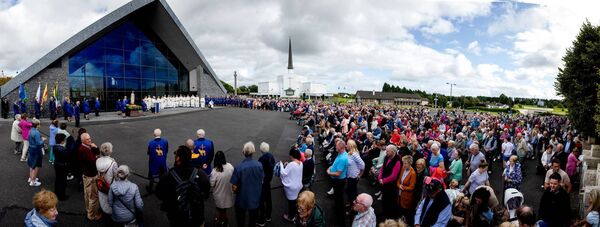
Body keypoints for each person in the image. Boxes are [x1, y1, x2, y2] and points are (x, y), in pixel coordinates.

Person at [156, 145, 210, 227]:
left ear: (178, 158)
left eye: (175, 154)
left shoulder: (168, 177)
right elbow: (206, 194)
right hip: (197, 217)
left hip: (177, 219)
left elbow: (159, 194)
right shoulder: (202, 174)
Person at [230, 142, 264, 227]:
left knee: (240, 220)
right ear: (253, 152)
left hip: (242, 199)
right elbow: (262, 180)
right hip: (255, 198)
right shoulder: (259, 165)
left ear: (243, 152)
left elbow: (234, 187)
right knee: (253, 220)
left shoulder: (238, 168)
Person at [78, 132, 102, 220]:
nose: (90, 140)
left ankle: (88, 210)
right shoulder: (84, 150)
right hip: (91, 176)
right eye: (87, 139)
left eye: (90, 138)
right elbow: (93, 161)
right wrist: (96, 148)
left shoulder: (85, 147)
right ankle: (92, 215)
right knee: (93, 197)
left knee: (87, 195)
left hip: (86, 175)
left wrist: (94, 150)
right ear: (83, 140)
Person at [327, 140, 349, 226]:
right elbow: (336, 165)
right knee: (337, 196)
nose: (335, 147)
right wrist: (331, 167)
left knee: (339, 197)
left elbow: (338, 173)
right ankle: (337, 208)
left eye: (336, 146)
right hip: (338, 181)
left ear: (341, 147)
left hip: (338, 181)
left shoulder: (343, 158)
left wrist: (329, 172)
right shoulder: (341, 154)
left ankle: (340, 216)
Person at [210, 151, 234, 227]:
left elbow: (212, 184)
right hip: (228, 194)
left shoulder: (214, 171)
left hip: (219, 196)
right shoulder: (230, 166)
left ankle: (222, 222)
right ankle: (222, 221)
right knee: (224, 210)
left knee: (221, 210)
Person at [280, 148, 304, 222]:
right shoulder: (301, 163)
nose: (290, 157)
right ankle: (295, 214)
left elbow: (283, 173)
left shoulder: (291, 164)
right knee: (295, 201)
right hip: (299, 185)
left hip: (292, 187)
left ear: (292, 156)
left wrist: (281, 165)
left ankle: (291, 217)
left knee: (291, 203)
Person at [379, 144, 401, 220]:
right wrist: (380, 177)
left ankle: (389, 216)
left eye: (387, 151)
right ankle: (384, 212)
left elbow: (393, 176)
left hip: (391, 185)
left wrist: (383, 180)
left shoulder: (397, 161)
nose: (386, 152)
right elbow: (382, 167)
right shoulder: (387, 157)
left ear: (392, 152)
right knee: (384, 199)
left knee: (390, 201)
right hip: (384, 182)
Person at [96, 142, 118, 216]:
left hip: (101, 184)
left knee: (103, 200)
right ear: (110, 151)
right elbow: (117, 177)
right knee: (110, 202)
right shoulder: (113, 163)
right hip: (110, 186)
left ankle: (103, 211)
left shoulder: (98, 160)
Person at [257, 142, 276, 225]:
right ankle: (268, 216)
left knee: (261, 200)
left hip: (263, 181)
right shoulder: (271, 156)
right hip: (268, 180)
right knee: (268, 199)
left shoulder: (261, 159)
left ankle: (261, 220)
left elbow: (259, 170)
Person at [397, 155, 417, 225]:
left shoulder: (413, 173)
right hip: (400, 193)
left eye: (405, 163)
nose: (403, 165)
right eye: (403, 163)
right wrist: (399, 185)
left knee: (405, 212)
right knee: (399, 208)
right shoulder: (403, 168)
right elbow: (399, 180)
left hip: (406, 196)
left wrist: (402, 187)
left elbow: (411, 187)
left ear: (410, 163)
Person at [346, 140, 365, 207]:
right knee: (350, 190)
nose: (346, 145)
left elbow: (362, 164)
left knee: (352, 192)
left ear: (350, 146)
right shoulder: (349, 153)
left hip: (353, 176)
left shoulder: (354, 154)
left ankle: (353, 206)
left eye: (347, 144)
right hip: (349, 176)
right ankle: (352, 203)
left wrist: (360, 175)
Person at [27, 119, 45, 187]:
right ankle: (33, 181)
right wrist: (42, 140)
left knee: (31, 164)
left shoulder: (30, 130)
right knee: (36, 166)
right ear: (37, 125)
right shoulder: (36, 132)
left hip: (31, 148)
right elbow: (38, 143)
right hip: (36, 150)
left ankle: (31, 178)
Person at [53, 134, 68, 200]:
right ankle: (62, 196)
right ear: (62, 141)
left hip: (56, 163)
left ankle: (56, 192)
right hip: (62, 165)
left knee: (58, 179)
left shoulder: (54, 147)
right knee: (63, 181)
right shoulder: (63, 149)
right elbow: (67, 157)